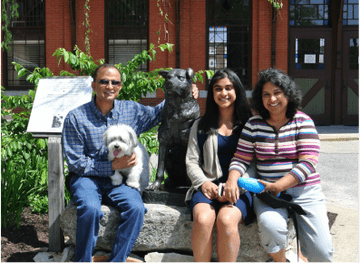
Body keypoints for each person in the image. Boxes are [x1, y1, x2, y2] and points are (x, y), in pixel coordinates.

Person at [62, 64, 198, 262]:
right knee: (91, 208)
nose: (109, 86)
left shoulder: (130, 109)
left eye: (114, 82)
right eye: (104, 81)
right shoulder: (76, 117)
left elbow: (160, 113)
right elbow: (76, 163)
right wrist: (110, 167)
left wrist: (185, 91)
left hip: (119, 179)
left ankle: (117, 260)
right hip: (86, 178)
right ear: (93, 85)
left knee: (135, 208)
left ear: (120, 86)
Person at [229, 68, 334, 263]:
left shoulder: (302, 122)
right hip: (267, 194)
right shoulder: (253, 124)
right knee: (270, 228)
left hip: (305, 192)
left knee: (322, 253)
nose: (272, 99)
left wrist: (279, 186)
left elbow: (308, 162)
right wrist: (232, 181)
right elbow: (240, 158)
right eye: (266, 94)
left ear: (288, 94)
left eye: (277, 92)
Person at [185, 69, 255, 262]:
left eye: (228, 88)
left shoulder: (249, 125)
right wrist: (203, 184)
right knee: (202, 219)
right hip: (208, 186)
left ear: (237, 91)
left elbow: (255, 162)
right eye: (218, 89)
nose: (223, 93)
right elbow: (191, 161)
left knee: (226, 220)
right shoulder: (200, 125)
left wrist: (238, 185)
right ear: (212, 93)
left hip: (240, 188)